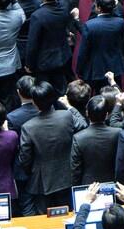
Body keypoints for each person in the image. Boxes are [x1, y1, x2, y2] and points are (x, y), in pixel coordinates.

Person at [18, 81, 82, 214]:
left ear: (34, 102)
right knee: (68, 216)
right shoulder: (67, 115)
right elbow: (82, 124)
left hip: (42, 182)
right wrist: (69, 107)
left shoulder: (28, 127)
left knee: (45, 219)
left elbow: (25, 158)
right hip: (67, 175)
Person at [25, 0, 81, 92]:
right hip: (62, 57)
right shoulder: (64, 10)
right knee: (61, 90)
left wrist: (29, 64)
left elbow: (33, 43)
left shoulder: (38, 15)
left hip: (45, 61)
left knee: (44, 92)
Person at [77, 0, 124, 93]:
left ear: (98, 8)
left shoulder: (90, 25)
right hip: (115, 67)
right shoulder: (120, 22)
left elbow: (83, 51)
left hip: (95, 69)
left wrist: (79, 70)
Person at [71, 96, 120, 185]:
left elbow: (75, 169)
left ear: (87, 113)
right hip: (114, 183)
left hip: (88, 185)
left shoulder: (78, 138)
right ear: (107, 115)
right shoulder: (118, 133)